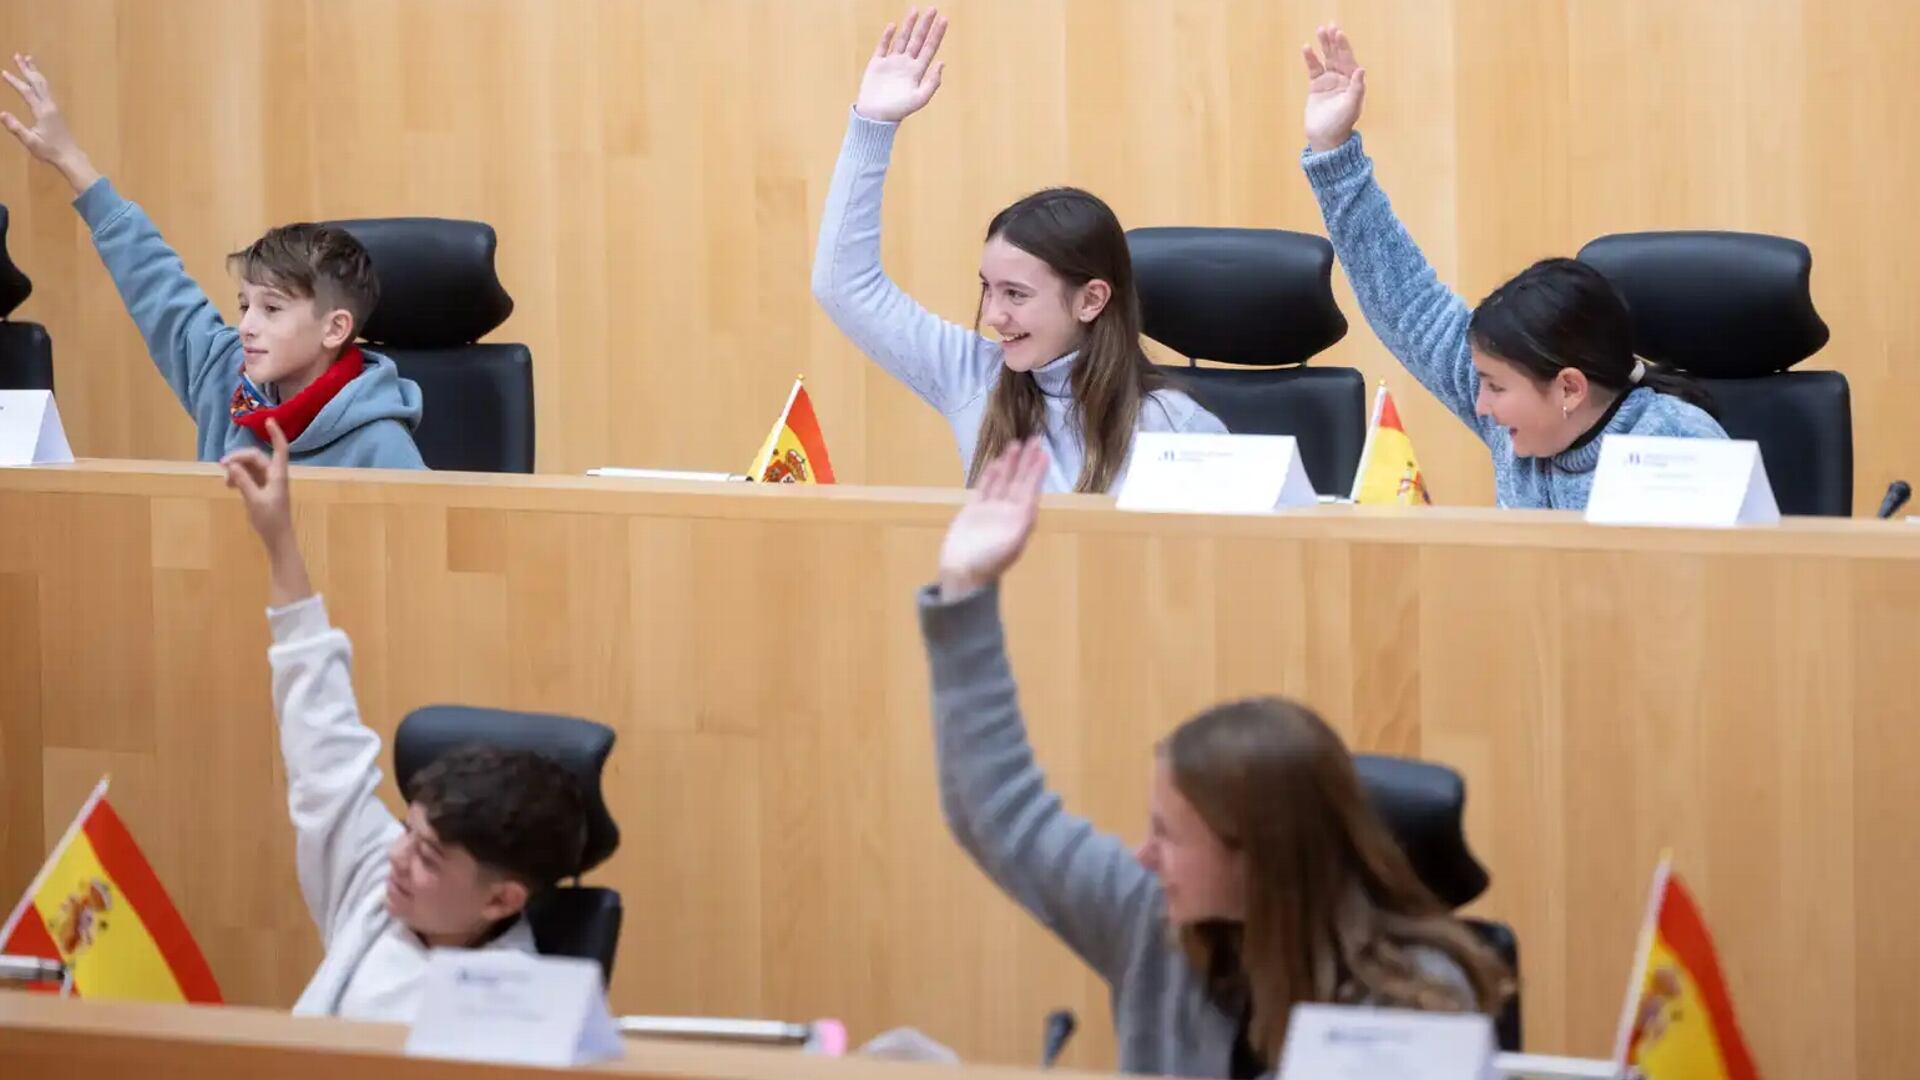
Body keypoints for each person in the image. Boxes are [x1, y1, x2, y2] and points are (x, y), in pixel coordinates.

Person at [917, 437, 1511, 1076]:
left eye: (1168, 835)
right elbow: (1000, 817)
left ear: (1258, 851)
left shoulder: (1416, 998)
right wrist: (964, 591)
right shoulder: (1152, 925)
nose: (1143, 855)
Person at [221, 420, 588, 1019]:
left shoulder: (506, 1010)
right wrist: (279, 539)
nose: (397, 857)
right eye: (408, 832)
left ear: (501, 900)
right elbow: (320, 735)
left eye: (428, 856)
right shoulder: (379, 885)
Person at [1298, 27, 1725, 510]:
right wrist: (1334, 153)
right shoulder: (1516, 392)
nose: (1480, 405)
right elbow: (1407, 303)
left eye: (1495, 388)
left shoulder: (1679, 445)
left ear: (1569, 387)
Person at [812, 8, 1226, 494]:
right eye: (987, 289)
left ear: (1091, 299)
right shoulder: (973, 377)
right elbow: (843, 286)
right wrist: (873, 126)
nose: (993, 315)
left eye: (1016, 294)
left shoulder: (1175, 426)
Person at [1, 55, 425, 468]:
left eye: (271, 309)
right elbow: (156, 281)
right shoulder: (225, 375)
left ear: (334, 328)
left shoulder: (382, 446)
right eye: (244, 305)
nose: (246, 326)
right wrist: (69, 158)